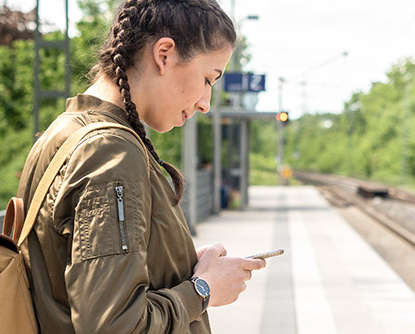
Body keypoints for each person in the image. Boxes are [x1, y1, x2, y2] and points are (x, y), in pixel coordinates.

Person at [16, 0, 266, 333]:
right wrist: (203, 291)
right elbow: (114, 325)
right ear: (164, 54)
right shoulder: (111, 154)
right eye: (208, 79)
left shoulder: (65, 130)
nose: (206, 103)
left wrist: (178, 263)